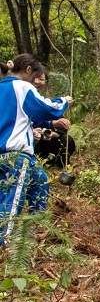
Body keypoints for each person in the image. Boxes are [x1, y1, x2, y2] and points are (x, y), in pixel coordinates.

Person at [0, 54, 72, 243]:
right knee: (12, 199)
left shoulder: (4, 89)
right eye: (37, 78)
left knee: (40, 181)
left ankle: (33, 232)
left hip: (14, 154)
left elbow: (26, 116)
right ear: (28, 71)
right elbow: (46, 107)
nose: (38, 83)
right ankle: (4, 246)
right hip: (14, 154)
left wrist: (51, 123)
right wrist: (64, 101)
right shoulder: (22, 87)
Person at [31, 69, 75, 168]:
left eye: (42, 79)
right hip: (33, 142)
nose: (39, 82)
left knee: (68, 140)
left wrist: (52, 132)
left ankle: (61, 164)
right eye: (37, 78)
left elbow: (62, 131)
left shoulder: (50, 104)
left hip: (49, 140)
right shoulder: (31, 99)